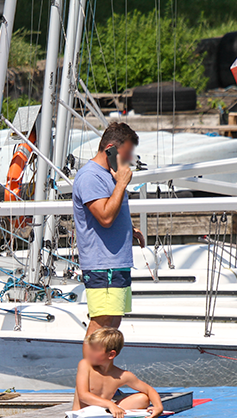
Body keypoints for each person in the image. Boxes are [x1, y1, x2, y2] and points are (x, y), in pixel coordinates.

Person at [72, 122, 145, 355]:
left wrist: (128, 229)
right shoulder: (90, 177)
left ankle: (102, 386)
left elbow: (109, 212)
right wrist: (122, 183)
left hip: (116, 262)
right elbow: (104, 217)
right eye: (127, 153)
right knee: (100, 328)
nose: (130, 159)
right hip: (103, 265)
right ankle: (85, 388)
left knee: (111, 329)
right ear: (111, 149)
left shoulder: (110, 175)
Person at [70, 327, 163, 418]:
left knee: (143, 398)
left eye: (94, 350)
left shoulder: (121, 375)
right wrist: (110, 404)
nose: (89, 353)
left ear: (111, 354)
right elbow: (83, 395)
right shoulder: (85, 365)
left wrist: (158, 407)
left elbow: (149, 390)